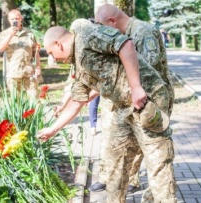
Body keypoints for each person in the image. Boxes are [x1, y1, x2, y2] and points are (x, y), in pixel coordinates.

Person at [37, 19, 177, 203]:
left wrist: (136, 87)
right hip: (124, 109)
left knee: (158, 161)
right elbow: (78, 100)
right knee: (115, 159)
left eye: (51, 53)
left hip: (147, 100)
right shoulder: (78, 65)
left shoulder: (87, 36)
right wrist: (52, 129)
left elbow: (125, 44)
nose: (53, 58)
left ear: (58, 44)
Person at [91, 4, 176, 197]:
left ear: (112, 21)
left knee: (156, 158)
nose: (104, 34)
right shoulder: (123, 36)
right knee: (123, 150)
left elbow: (149, 72)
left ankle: (155, 197)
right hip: (135, 104)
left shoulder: (143, 32)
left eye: (104, 27)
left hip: (152, 104)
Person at [0, 9, 42, 100]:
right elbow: (0, 49)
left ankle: (35, 115)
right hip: (13, 73)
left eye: (17, 18)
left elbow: (35, 51)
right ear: (9, 20)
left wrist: (38, 67)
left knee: (34, 100)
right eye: (12, 19)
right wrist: (10, 35)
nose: (15, 21)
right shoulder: (4, 34)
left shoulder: (29, 33)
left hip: (29, 72)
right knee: (16, 102)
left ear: (21, 18)